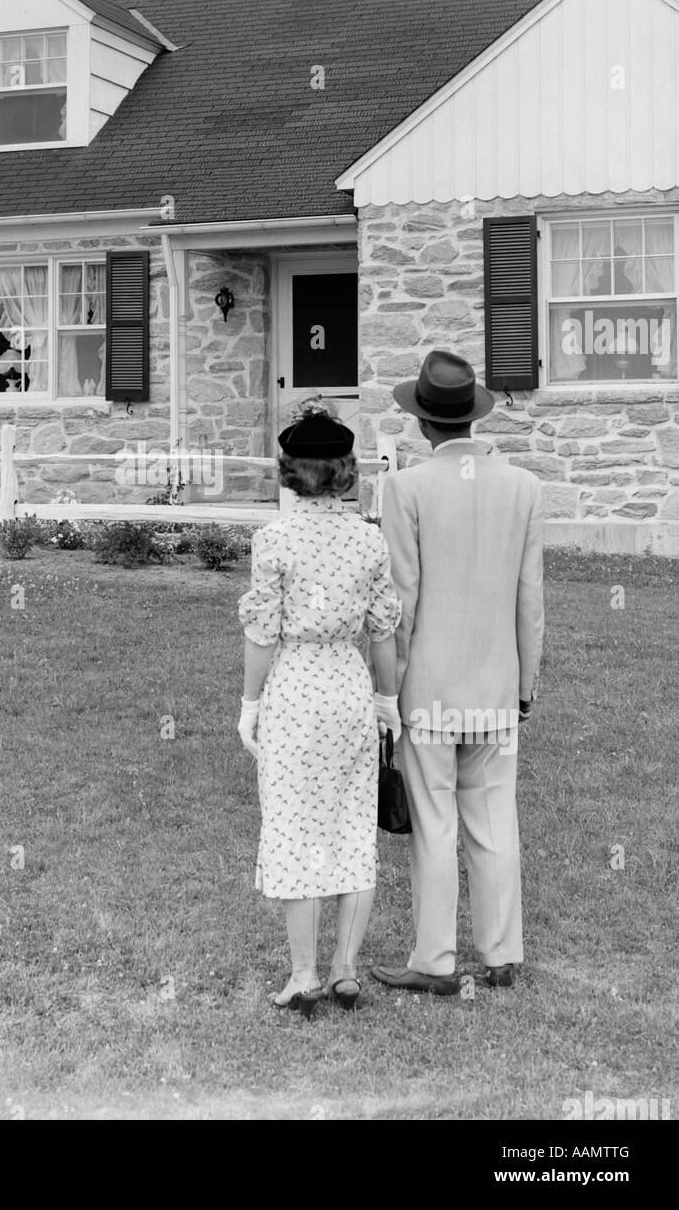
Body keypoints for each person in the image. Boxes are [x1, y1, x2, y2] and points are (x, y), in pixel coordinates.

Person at [371, 351, 544, 996]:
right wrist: (524, 686)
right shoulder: (524, 487)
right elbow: (531, 601)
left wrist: (391, 692)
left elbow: (401, 603)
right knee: (495, 820)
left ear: (422, 424)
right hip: (497, 685)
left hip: (429, 691)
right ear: (473, 416)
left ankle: (436, 960)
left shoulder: (407, 489)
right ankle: (502, 955)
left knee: (435, 824)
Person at [237, 412, 403, 1017]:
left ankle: (304, 972)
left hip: (295, 687)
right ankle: (346, 969)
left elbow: (262, 632)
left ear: (289, 473)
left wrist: (250, 705)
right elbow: (383, 630)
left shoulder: (274, 540)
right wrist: (387, 701)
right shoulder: (369, 540)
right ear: (346, 472)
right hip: (349, 687)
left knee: (293, 827)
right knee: (352, 826)